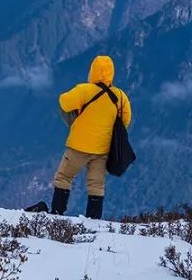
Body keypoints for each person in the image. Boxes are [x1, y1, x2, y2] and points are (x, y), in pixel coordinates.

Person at [50, 55, 132, 219]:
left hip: (78, 146)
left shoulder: (84, 90)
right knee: (96, 184)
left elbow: (63, 102)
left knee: (64, 177)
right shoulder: (120, 96)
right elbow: (125, 120)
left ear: (92, 72)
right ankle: (94, 219)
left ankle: (57, 214)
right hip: (102, 148)